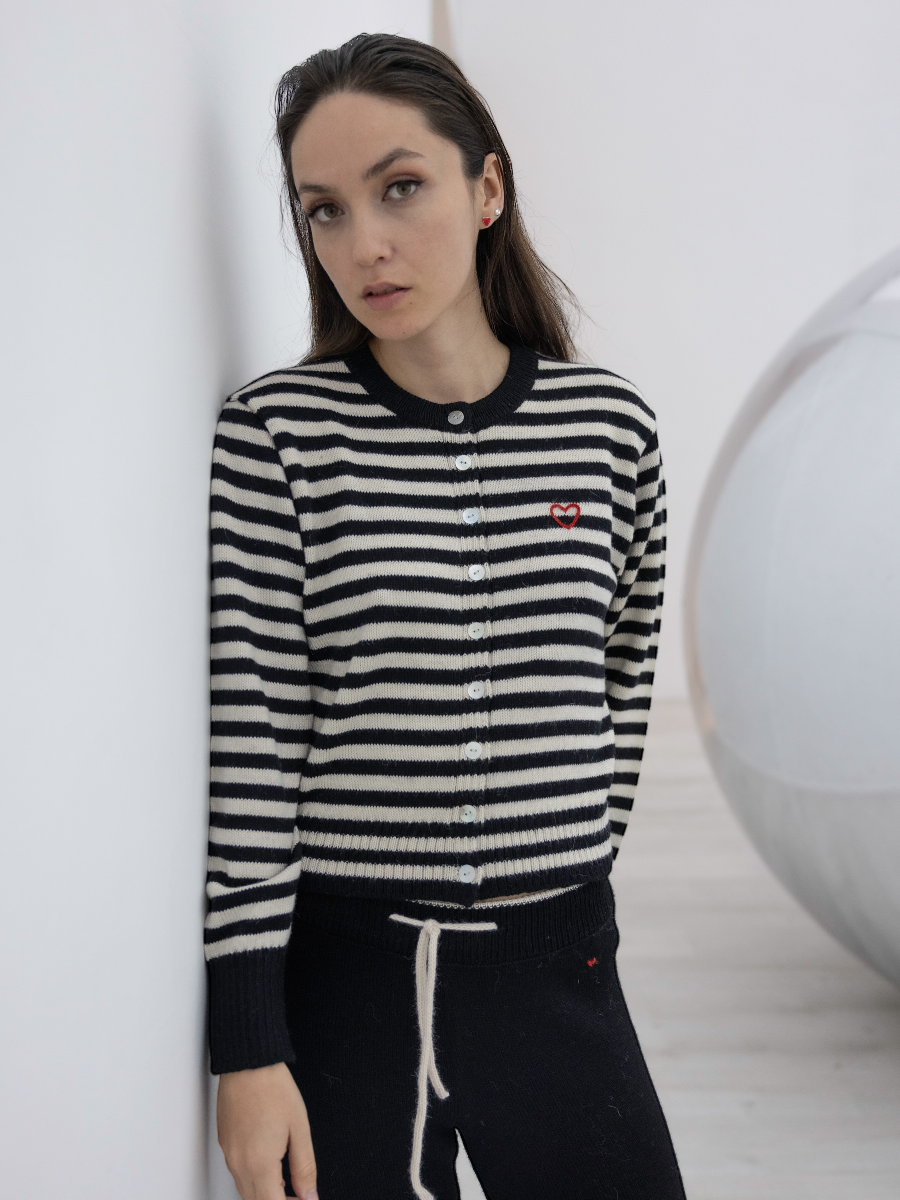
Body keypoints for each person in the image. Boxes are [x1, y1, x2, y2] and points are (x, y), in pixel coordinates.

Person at [205, 31, 685, 1200]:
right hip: (348, 986)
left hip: (558, 963)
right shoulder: (277, 439)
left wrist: (564, 870)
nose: (362, 244)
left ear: (487, 188)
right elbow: (255, 752)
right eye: (323, 210)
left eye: (401, 188)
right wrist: (248, 1048)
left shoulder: (609, 430)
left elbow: (620, 686)